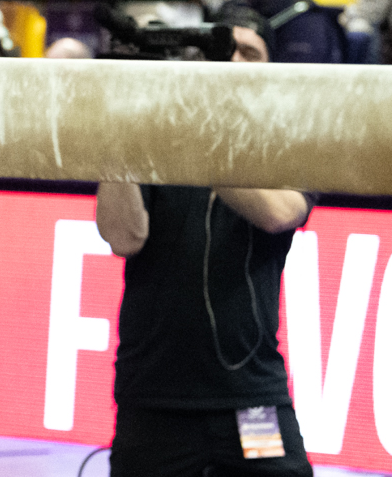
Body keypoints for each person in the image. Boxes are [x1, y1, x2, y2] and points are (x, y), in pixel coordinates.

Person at [95, 26, 315, 476]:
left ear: (272, 70)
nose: (234, 62)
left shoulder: (289, 147)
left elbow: (277, 213)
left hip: (250, 400)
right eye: (224, 51)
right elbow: (123, 237)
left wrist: (193, 140)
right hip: (154, 400)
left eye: (250, 53)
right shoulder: (154, 137)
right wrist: (119, 133)